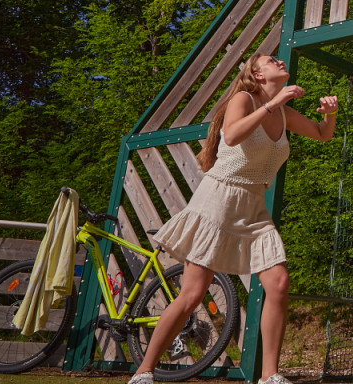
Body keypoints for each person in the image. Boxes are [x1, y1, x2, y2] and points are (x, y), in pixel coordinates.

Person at [126, 53, 338, 384]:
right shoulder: (245, 99)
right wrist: (274, 103)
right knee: (192, 296)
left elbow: (323, 134)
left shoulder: (282, 112)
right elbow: (233, 135)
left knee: (279, 283)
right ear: (256, 73)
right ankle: (143, 372)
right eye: (272, 60)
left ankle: (270, 376)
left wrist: (331, 116)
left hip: (254, 208)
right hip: (219, 201)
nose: (280, 61)